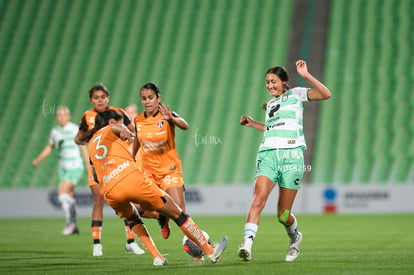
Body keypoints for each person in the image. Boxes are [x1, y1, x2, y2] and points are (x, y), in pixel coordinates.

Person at [78, 109, 228, 265]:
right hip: (131, 180)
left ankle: (157, 257)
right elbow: (118, 129)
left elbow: (95, 176)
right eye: (120, 121)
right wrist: (124, 132)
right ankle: (211, 251)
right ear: (112, 122)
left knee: (132, 218)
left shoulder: (91, 146)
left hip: (110, 191)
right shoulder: (113, 128)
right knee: (177, 213)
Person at [237, 60, 331, 262]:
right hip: (268, 154)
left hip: (292, 156)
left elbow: (325, 94)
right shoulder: (271, 104)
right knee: (258, 200)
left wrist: (306, 75)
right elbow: (272, 129)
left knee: (283, 214)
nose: (270, 85)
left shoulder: (296, 95)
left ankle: (295, 237)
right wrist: (253, 123)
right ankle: (246, 244)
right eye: (267, 81)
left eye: (274, 81)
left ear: (284, 82)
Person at [74, 84, 144, 256]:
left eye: (103, 97)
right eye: (96, 97)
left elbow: (133, 131)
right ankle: (97, 244)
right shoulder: (87, 116)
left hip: (116, 165)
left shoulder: (117, 113)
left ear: (108, 98)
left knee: (128, 201)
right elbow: (78, 139)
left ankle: (131, 241)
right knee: (98, 201)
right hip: (98, 165)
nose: (100, 100)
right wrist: (93, 134)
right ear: (91, 99)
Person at [132, 83, 189, 241]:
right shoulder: (138, 120)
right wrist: (131, 158)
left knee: (180, 211)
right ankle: (161, 215)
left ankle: (196, 246)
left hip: (169, 170)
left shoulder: (166, 115)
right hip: (149, 172)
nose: (147, 101)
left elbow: (185, 125)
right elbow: (138, 139)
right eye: (144, 98)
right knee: (134, 208)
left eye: (151, 98)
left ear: (158, 98)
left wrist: (172, 118)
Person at [33, 106, 85, 235]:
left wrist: (90, 165)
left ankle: (70, 223)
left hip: (75, 166)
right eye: (59, 115)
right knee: (69, 195)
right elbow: (50, 147)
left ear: (69, 116)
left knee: (62, 193)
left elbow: (83, 147)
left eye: (64, 114)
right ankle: (74, 225)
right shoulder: (55, 131)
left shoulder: (74, 129)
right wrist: (38, 159)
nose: (61, 117)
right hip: (63, 167)